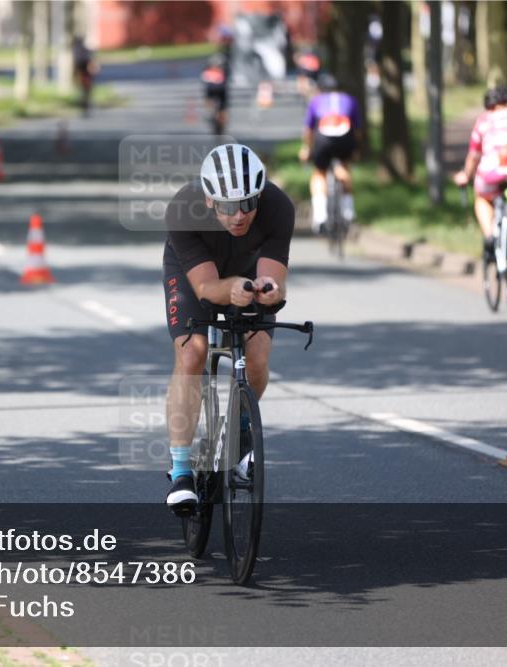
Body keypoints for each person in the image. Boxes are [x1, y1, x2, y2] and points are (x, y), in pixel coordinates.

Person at [162, 144, 294, 512]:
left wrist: (269, 292)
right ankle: (181, 469)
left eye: (249, 204)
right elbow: (205, 288)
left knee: (258, 352)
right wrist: (230, 289)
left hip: (248, 272)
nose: (240, 216)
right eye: (228, 207)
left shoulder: (278, 207)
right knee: (193, 352)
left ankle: (241, 434)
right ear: (209, 200)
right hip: (194, 273)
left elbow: (274, 279)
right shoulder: (183, 208)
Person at [454, 86, 507, 268]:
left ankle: (490, 235)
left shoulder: (484, 121)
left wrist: (465, 176)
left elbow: (474, 156)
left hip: (494, 173)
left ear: (489, 105)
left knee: (482, 198)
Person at [298, 73, 362, 234]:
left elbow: (309, 130)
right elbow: (358, 130)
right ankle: (348, 211)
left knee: (319, 173)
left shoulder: (316, 101)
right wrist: (354, 149)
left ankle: (320, 216)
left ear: (320, 88)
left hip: (323, 139)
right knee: (344, 167)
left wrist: (307, 149)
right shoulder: (350, 100)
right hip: (345, 137)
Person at [200, 54, 228, 135]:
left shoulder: (208, 69)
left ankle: (214, 114)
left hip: (216, 90)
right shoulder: (223, 69)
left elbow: (204, 78)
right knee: (220, 106)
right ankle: (213, 113)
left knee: (221, 107)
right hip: (217, 90)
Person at [73, 37, 98, 116]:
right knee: (85, 92)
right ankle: (85, 106)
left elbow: (92, 65)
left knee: (86, 92)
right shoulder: (83, 53)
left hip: (86, 75)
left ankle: (86, 106)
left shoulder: (83, 53)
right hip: (84, 76)